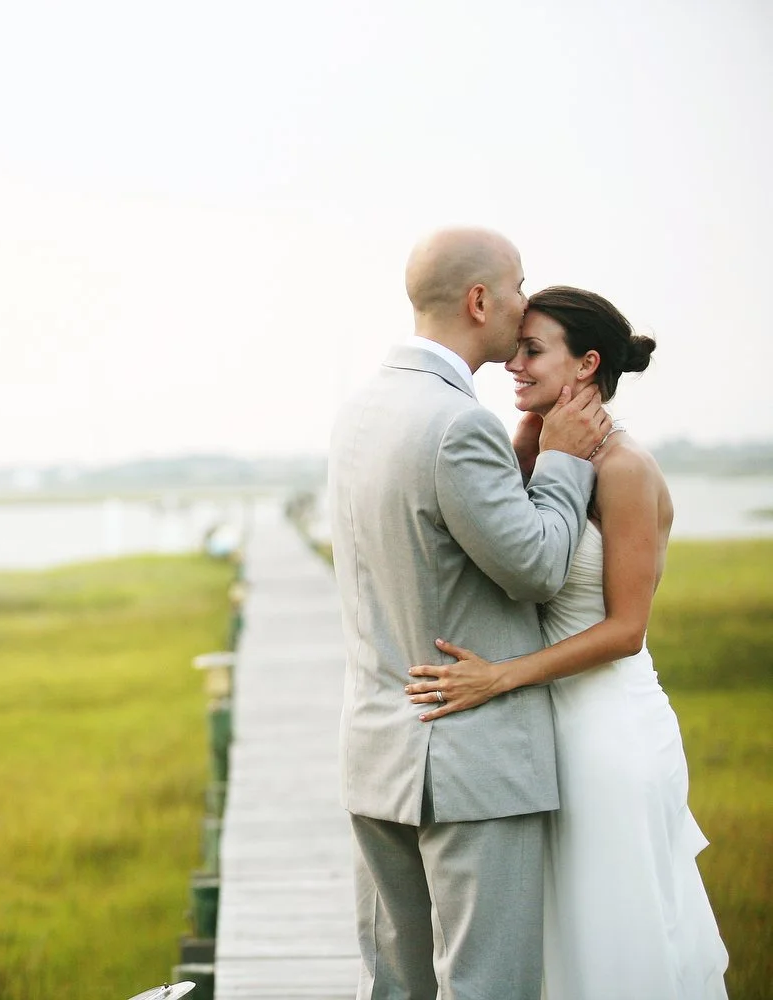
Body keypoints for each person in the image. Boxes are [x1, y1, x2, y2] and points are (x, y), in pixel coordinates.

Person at [404, 285, 730, 999]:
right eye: (515, 349)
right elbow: (524, 553)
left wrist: (500, 677)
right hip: (551, 734)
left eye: (532, 351)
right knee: (560, 939)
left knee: (615, 935)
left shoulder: (625, 469)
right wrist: (532, 442)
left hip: (610, 730)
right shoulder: (545, 450)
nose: (512, 366)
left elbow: (625, 629)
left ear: (586, 366)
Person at [327, 227, 612, 1000]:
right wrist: (561, 460)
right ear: (480, 299)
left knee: (394, 985)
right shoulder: (459, 423)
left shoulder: (360, 411)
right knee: (488, 986)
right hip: (470, 766)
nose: (524, 305)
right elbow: (539, 567)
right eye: (518, 286)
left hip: (376, 752)